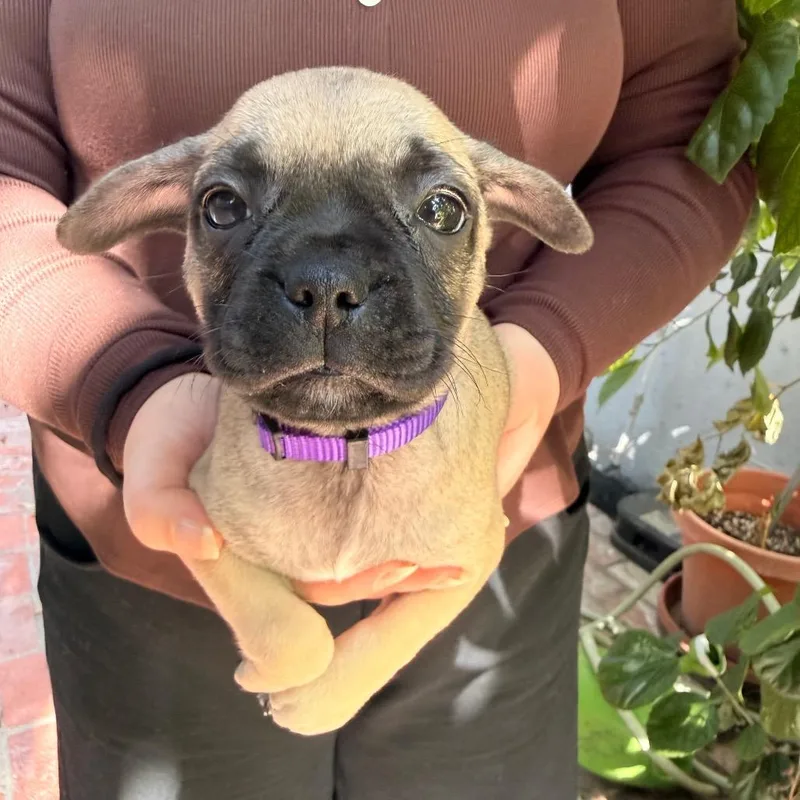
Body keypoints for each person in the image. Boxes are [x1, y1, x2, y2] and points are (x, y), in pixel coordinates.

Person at [0, 1, 755, 798]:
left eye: (438, 209)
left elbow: (692, 138)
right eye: (227, 206)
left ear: (507, 202)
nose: (329, 286)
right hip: (148, 536)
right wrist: (126, 383)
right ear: (158, 197)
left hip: (492, 508)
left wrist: (542, 350)